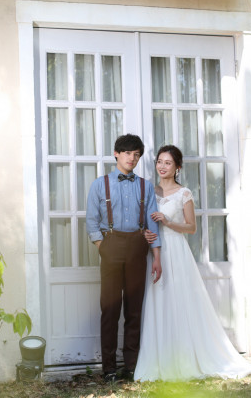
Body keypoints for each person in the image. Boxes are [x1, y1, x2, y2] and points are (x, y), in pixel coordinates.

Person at [134, 144, 251, 382]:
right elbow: (144, 223)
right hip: (156, 252)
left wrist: (168, 221)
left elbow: (191, 228)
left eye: (168, 163)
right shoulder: (150, 191)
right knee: (158, 300)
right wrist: (146, 234)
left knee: (179, 302)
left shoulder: (184, 193)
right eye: (159, 161)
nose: (162, 166)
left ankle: (186, 358)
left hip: (176, 252)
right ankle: (160, 358)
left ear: (177, 167)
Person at [86, 134, 162, 383]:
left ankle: (131, 366)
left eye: (137, 155)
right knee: (109, 309)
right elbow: (91, 221)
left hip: (137, 246)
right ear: (117, 153)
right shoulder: (100, 184)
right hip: (111, 245)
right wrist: (102, 246)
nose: (132, 158)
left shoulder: (145, 186)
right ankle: (108, 368)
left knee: (134, 309)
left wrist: (156, 255)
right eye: (128, 153)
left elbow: (152, 222)